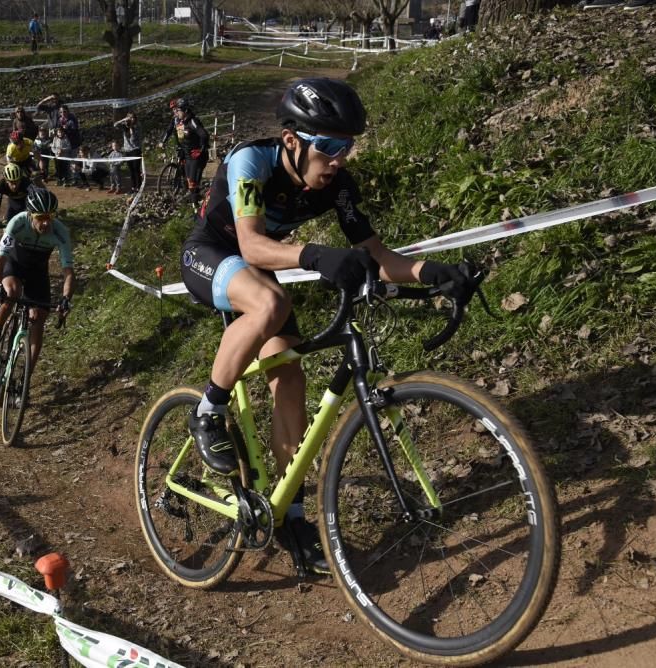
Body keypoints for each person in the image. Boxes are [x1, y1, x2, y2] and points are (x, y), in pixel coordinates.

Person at [179, 78, 472, 575]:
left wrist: (432, 273)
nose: (339, 159)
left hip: (259, 267)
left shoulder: (337, 185)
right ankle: (208, 411)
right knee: (270, 300)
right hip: (211, 254)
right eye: (329, 147)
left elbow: (377, 256)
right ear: (293, 141)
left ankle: (289, 511)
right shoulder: (251, 161)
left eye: (348, 146)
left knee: (289, 377)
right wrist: (316, 255)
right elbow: (249, 245)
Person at [0, 188, 74, 370]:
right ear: (30, 214)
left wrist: (66, 299)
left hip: (38, 273)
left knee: (39, 318)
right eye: (41, 217)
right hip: (15, 265)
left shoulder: (60, 231)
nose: (46, 223)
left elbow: (68, 272)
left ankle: (26, 377)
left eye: (50, 216)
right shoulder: (17, 223)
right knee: (12, 292)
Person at [160, 97, 209, 206]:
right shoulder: (179, 121)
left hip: (197, 156)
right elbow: (174, 133)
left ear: (185, 110)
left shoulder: (192, 121)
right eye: (175, 111)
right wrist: (164, 142)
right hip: (187, 154)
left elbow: (204, 135)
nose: (175, 113)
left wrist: (201, 149)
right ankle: (194, 202)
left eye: (178, 110)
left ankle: (195, 206)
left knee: (193, 182)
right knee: (190, 182)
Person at [0, 162, 34, 239]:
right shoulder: (0, 186)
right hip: (12, 204)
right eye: (12, 182)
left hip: (26, 204)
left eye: (17, 182)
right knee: (6, 229)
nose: (14, 186)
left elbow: (35, 201)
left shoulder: (27, 183)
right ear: (6, 180)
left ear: (20, 179)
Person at [113, 111, 143, 191]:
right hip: (127, 150)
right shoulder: (124, 125)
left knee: (136, 169)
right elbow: (115, 125)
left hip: (136, 149)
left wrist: (131, 128)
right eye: (130, 118)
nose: (131, 119)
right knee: (131, 170)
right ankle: (133, 187)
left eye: (132, 118)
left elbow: (133, 139)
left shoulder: (137, 126)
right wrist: (123, 120)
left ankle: (139, 186)